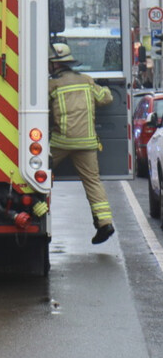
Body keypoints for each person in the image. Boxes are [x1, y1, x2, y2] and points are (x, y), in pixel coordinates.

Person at [48, 42, 115, 243]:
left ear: (54, 65)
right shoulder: (86, 80)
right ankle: (105, 223)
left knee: (39, 175)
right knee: (93, 182)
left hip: (61, 142)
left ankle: (35, 210)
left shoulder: (52, 84)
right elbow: (107, 98)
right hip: (87, 143)